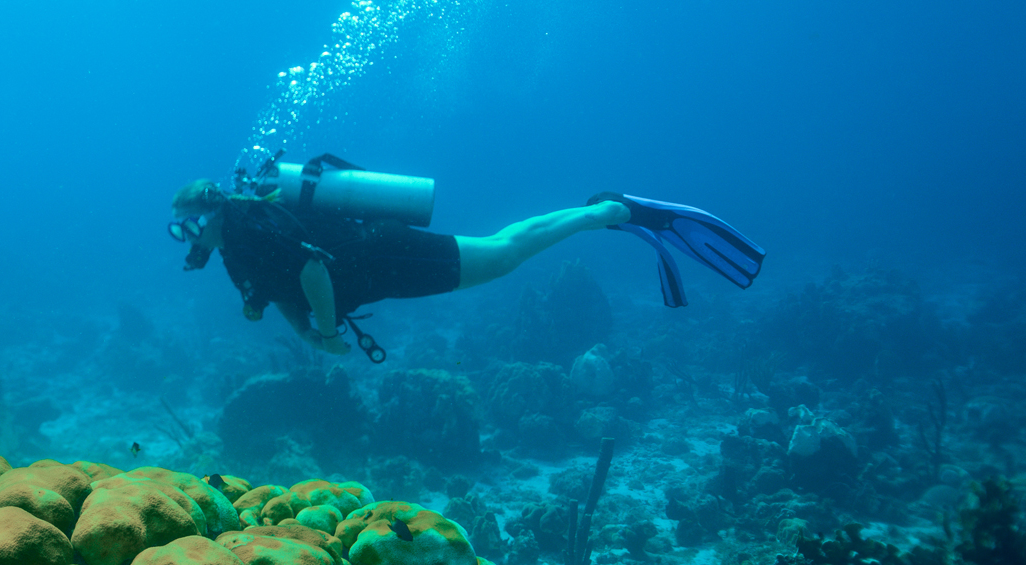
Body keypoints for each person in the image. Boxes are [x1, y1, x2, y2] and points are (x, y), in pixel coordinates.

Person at [169, 175, 764, 357]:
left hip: (383, 254)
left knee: (501, 254)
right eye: (180, 230)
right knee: (499, 251)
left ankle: (612, 210)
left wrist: (324, 334)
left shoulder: (249, 227)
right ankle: (605, 211)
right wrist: (305, 331)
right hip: (378, 265)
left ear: (211, 212)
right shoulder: (235, 247)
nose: (186, 237)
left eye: (188, 224)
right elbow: (279, 292)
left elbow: (311, 272)